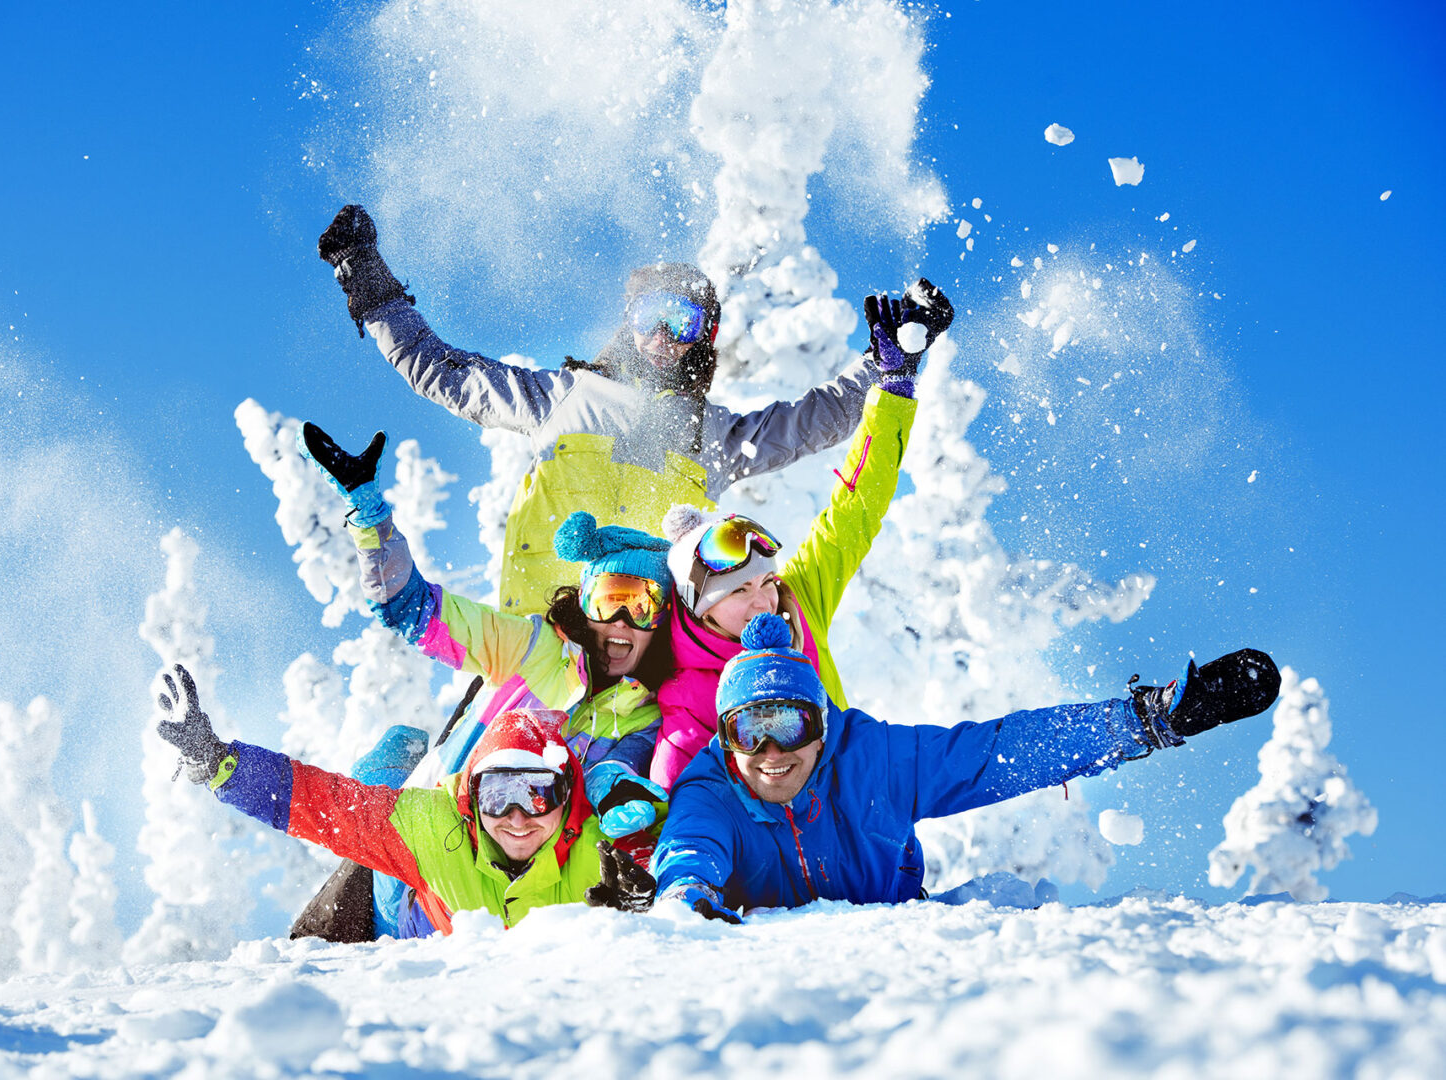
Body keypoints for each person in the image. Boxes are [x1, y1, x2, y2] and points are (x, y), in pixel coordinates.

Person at [317, 205, 900, 616]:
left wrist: (886, 365)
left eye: (686, 324)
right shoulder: (560, 398)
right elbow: (442, 370)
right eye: (654, 316)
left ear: (703, 340)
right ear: (630, 320)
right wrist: (367, 282)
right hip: (540, 647)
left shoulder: (711, 436)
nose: (665, 336)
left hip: (644, 663)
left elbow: (813, 421)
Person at [637, 614, 1280, 921]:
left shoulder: (871, 759)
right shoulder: (710, 788)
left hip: (899, 954)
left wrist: (1143, 721)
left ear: (822, 724)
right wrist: (686, 898)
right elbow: (689, 851)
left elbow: (996, 754)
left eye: (791, 725)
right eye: (751, 730)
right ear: (725, 737)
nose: (773, 754)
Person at [300, 424, 673, 840]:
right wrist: (369, 515)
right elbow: (413, 609)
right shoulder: (531, 647)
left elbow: (616, 770)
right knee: (353, 873)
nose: (622, 618)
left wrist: (619, 792)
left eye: (644, 604)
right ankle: (383, 777)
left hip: (513, 880)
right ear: (584, 606)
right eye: (608, 599)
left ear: (662, 622)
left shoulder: (647, 714)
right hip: (426, 841)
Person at [650, 283, 952, 790]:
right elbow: (675, 798)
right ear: (699, 606)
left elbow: (857, 506)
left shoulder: (798, 603)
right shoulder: (688, 691)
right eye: (739, 591)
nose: (763, 600)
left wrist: (895, 388)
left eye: (763, 581)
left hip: (846, 820)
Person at [155, 666, 652, 932]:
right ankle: (416, 745)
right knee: (382, 775)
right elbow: (326, 804)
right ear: (472, 798)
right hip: (400, 913)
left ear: (567, 795)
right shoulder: (436, 826)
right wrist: (223, 764)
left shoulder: (601, 849)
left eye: (537, 794)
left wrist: (643, 902)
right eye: (499, 795)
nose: (517, 817)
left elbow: (677, 863)